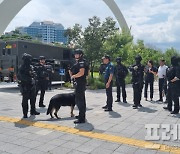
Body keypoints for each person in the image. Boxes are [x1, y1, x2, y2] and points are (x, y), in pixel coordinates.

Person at [18, 53, 40, 118]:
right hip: (25, 86)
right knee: (25, 100)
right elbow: (21, 77)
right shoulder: (22, 67)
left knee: (33, 99)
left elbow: (34, 74)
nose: (30, 60)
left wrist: (34, 78)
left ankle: (33, 111)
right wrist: (30, 79)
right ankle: (25, 113)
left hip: (32, 85)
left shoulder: (30, 66)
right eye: (28, 59)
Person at [69, 49, 87, 124]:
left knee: (79, 101)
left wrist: (73, 76)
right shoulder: (80, 62)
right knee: (81, 100)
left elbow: (82, 72)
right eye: (75, 54)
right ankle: (81, 115)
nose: (76, 55)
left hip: (80, 83)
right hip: (80, 83)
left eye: (77, 54)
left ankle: (81, 118)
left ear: (81, 55)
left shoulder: (81, 62)